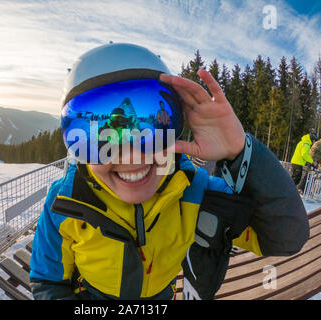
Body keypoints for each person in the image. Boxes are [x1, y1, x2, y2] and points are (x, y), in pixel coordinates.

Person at [29, 43, 309, 300]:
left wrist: (240, 150)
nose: (132, 156)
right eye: (102, 140)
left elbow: (285, 238)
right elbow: (48, 281)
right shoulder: (65, 203)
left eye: (151, 132)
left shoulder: (197, 193)